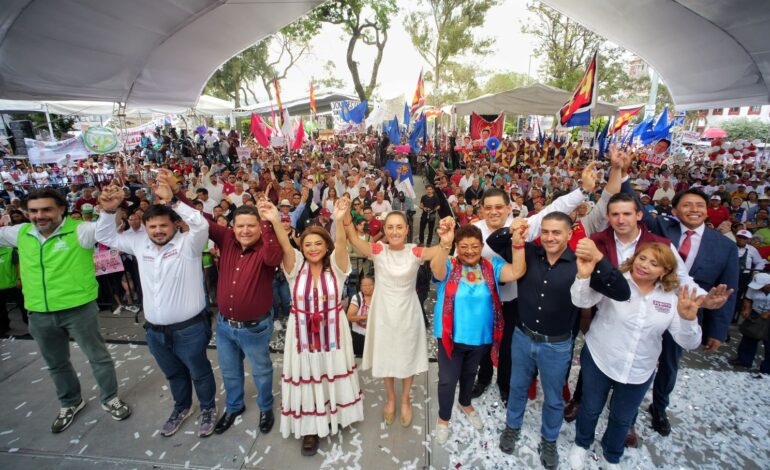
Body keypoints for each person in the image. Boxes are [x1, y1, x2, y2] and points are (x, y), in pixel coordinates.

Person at [495, 212, 630, 469]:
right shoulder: (529, 254)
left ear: (570, 234)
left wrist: (600, 259)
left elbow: (621, 292)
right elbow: (494, 241)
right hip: (523, 338)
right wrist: (513, 229)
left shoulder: (581, 263)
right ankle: (512, 426)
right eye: (545, 231)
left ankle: (549, 439)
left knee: (555, 397)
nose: (549, 237)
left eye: (557, 232)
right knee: (517, 388)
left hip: (556, 345)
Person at [0, 188, 131, 433]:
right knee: (56, 363)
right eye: (34, 210)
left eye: (47, 209)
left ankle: (110, 398)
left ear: (61, 209)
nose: (40, 215)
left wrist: (109, 210)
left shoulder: (80, 230)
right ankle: (70, 402)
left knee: (98, 357)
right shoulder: (21, 233)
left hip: (79, 309)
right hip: (38, 313)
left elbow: (105, 231)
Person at [567, 244, 704, 469]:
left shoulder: (671, 297)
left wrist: (688, 319)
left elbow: (689, 342)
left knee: (622, 417)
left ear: (665, 271)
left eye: (654, 263)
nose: (644, 266)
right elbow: (582, 302)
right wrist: (583, 277)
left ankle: (611, 454)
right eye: (642, 258)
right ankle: (582, 444)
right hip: (600, 358)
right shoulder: (616, 279)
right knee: (590, 408)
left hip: (640, 368)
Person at [166, 170, 282, 437]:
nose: (244, 230)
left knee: (262, 372)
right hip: (226, 327)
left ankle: (265, 407)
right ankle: (234, 407)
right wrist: (175, 195)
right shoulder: (227, 238)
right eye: (239, 225)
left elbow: (274, 258)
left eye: (251, 225)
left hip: (255, 328)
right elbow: (199, 218)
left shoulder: (266, 246)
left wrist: (267, 223)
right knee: (230, 373)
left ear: (259, 226)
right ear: (233, 227)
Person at [96, 183, 216, 437]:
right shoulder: (139, 244)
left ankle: (208, 409)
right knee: (174, 374)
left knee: (200, 373)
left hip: (190, 329)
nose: (158, 231)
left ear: (175, 225)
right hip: (155, 332)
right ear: (146, 228)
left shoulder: (189, 245)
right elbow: (105, 237)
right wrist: (107, 212)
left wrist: (174, 202)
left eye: (164, 225)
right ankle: (181, 408)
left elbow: (202, 225)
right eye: (153, 226)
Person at [631, 186, 738, 437]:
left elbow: (724, 293)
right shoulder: (661, 229)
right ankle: (628, 410)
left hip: (686, 314)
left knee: (669, 364)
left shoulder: (725, 247)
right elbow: (633, 207)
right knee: (637, 357)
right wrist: (621, 171)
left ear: (707, 210)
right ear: (676, 210)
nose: (694, 210)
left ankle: (659, 407)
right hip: (650, 309)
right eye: (687, 205)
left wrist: (717, 330)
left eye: (699, 205)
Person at [263, 197, 363, 456]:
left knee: (331, 369)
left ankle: (333, 412)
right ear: (302, 248)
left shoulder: (337, 268)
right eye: (308, 244)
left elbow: (341, 242)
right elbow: (285, 245)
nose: (313, 248)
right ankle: (310, 427)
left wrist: (340, 220)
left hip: (333, 332)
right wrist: (275, 218)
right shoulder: (295, 268)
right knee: (307, 375)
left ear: (326, 246)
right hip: (302, 334)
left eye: (319, 243)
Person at [344, 211, 450, 427]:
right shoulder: (378, 250)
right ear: (384, 230)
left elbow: (438, 252)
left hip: (408, 313)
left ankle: (405, 399)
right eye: (390, 227)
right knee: (387, 357)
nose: (394, 231)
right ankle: (391, 398)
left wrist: (446, 239)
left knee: (406, 356)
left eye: (399, 227)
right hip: (383, 313)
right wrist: (345, 218)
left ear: (407, 229)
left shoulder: (415, 251)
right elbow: (354, 240)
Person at [430, 221, 528, 445]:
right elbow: (435, 271)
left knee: (469, 374)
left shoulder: (491, 266)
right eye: (464, 246)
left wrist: (518, 244)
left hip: (480, 337)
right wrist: (444, 244)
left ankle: (465, 402)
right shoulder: (448, 263)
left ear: (481, 246)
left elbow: (517, 271)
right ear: (457, 246)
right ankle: (443, 419)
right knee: (446, 380)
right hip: (450, 337)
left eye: (474, 246)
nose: (470, 251)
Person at [729, 273, 770, 374]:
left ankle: (767, 368)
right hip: (756, 312)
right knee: (749, 337)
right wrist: (747, 308)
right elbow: (748, 299)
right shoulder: (753, 288)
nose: (758, 289)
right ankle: (744, 359)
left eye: (761, 287)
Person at [347, 274, 374, 357]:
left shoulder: (378, 297)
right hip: (359, 336)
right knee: (360, 358)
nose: (367, 287)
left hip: (375, 335)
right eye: (364, 285)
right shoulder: (357, 298)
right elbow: (349, 316)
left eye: (370, 285)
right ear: (361, 287)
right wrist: (364, 317)